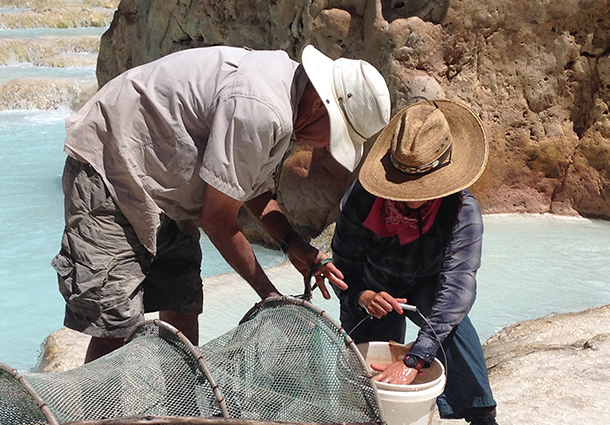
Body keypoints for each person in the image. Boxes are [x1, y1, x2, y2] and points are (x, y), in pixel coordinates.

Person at [51, 45, 391, 361]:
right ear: (320, 105)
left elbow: (246, 187)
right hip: (112, 163)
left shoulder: (287, 97)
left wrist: (293, 244)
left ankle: (181, 409)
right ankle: (94, 421)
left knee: (182, 298)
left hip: (165, 178)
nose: (325, 147)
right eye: (333, 135)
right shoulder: (262, 111)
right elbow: (217, 220)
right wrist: (270, 295)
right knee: (116, 318)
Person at [331, 99, 511, 425]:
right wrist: (363, 296)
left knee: (449, 326)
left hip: (431, 286)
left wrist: (415, 359)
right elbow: (343, 266)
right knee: (363, 368)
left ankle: (482, 421)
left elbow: (458, 288)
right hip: (375, 287)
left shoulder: (463, 211)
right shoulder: (362, 200)